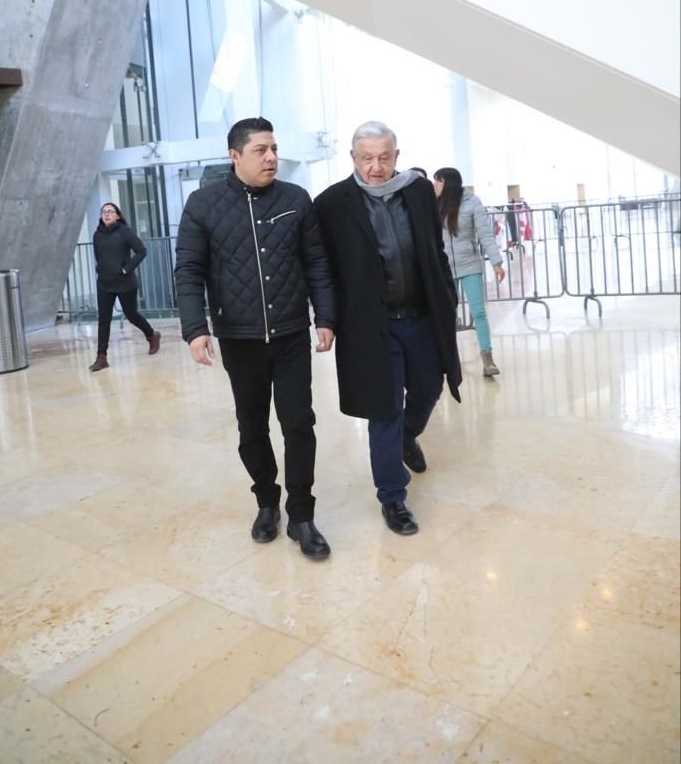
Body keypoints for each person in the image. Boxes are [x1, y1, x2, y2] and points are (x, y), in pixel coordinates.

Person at [174, 117, 335, 560]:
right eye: (260, 150)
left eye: (274, 149)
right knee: (252, 428)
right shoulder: (203, 204)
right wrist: (195, 328)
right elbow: (188, 270)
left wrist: (325, 317)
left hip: (290, 334)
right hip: (239, 339)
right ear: (235, 156)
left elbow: (316, 262)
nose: (271, 157)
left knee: (299, 423)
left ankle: (301, 515)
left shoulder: (295, 199)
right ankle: (267, 502)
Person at [314, 121, 461, 536]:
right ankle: (392, 497)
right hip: (369, 326)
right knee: (384, 409)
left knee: (430, 389)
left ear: (396, 156)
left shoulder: (418, 192)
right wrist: (327, 319)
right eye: (367, 159)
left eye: (383, 158)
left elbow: (434, 249)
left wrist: (447, 295)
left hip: (421, 318)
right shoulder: (332, 204)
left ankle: (406, 437)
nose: (375, 168)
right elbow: (323, 269)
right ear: (353, 157)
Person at [433, 168, 505, 377]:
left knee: (478, 312)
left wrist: (496, 262)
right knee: (447, 315)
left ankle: (487, 359)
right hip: (445, 267)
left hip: (470, 264)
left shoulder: (473, 202)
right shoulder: (433, 204)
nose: (435, 185)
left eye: (438, 181)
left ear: (448, 183)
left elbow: (485, 234)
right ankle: (447, 360)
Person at [89, 203, 161, 372]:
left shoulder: (125, 232)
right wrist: (101, 270)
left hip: (125, 283)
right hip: (104, 283)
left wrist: (126, 269)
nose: (106, 214)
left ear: (117, 215)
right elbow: (99, 257)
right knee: (103, 319)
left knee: (131, 315)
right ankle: (101, 357)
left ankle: (151, 335)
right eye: (104, 212)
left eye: (110, 211)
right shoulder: (97, 235)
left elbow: (141, 251)